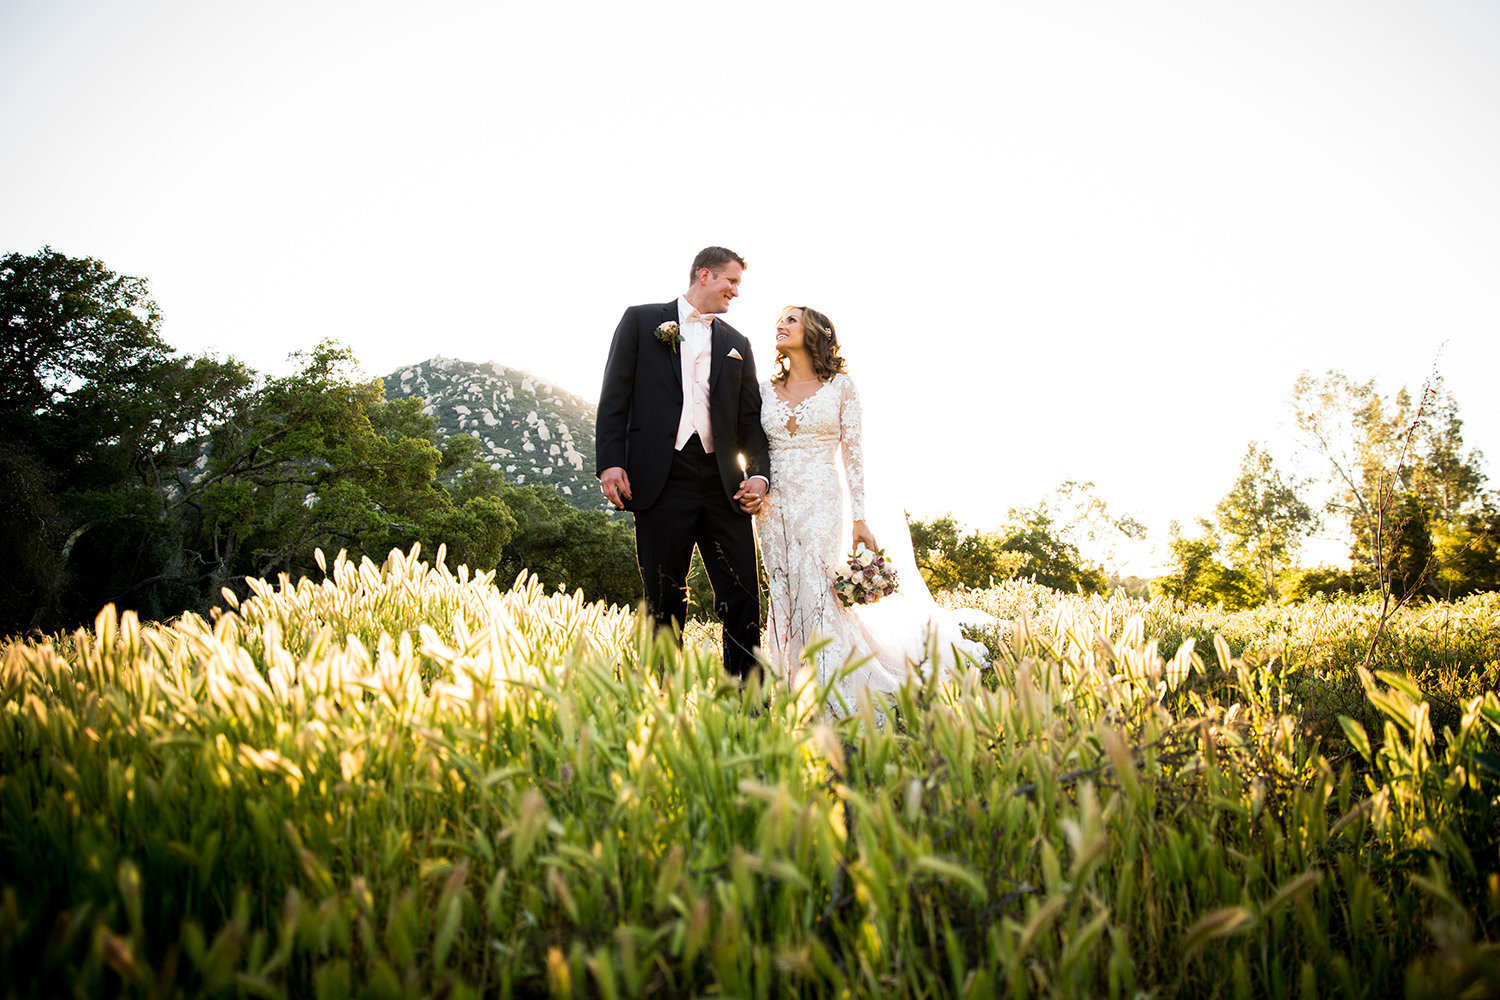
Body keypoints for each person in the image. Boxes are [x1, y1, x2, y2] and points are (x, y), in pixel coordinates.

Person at [751, 306, 988, 721]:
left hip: (822, 498)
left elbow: (854, 455)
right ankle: (792, 682)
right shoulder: (762, 388)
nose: (780, 325)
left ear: (814, 332)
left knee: (818, 586)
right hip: (773, 505)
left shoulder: (841, 387)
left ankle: (833, 684)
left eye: (790, 320)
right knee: (784, 589)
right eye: (779, 321)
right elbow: (751, 444)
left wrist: (860, 517)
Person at [595, 247, 771, 679]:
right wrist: (610, 462)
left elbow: (750, 420)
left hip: (722, 482)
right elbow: (614, 398)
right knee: (663, 596)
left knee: (744, 594)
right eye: (731, 281)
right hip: (660, 478)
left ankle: (747, 704)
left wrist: (761, 475)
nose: (735, 291)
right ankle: (658, 702)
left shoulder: (737, 344)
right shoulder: (640, 321)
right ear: (704, 275)